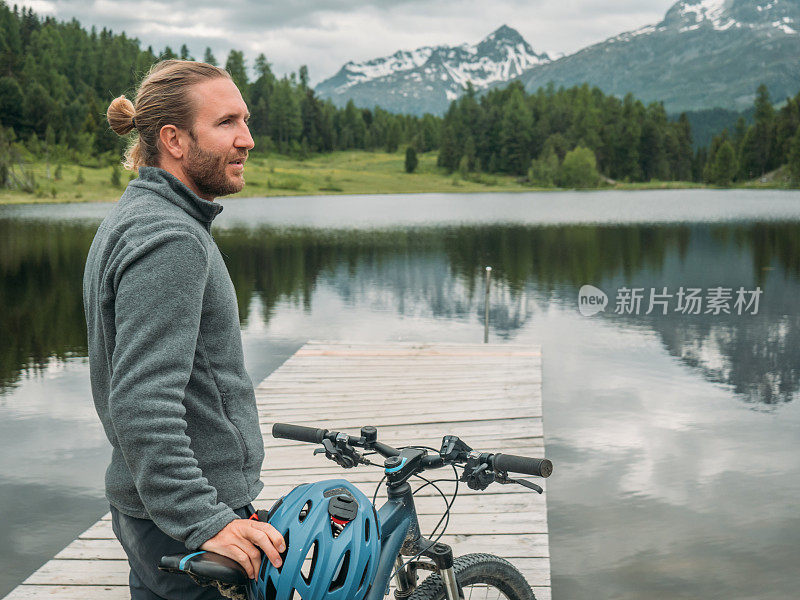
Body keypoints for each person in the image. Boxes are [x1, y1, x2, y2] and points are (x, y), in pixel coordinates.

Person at [83, 60, 284, 599]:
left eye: (245, 120)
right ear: (173, 139)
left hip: (151, 509)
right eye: (227, 123)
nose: (248, 139)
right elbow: (142, 402)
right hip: (187, 521)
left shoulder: (136, 214)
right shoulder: (170, 239)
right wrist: (207, 521)